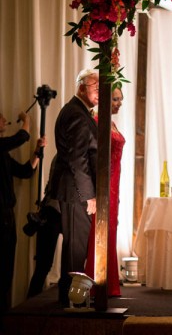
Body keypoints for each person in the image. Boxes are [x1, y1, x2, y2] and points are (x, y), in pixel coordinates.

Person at [53, 68, 99, 306]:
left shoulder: (79, 111)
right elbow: (77, 159)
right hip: (76, 191)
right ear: (82, 87)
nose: (100, 92)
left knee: (76, 246)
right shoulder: (77, 114)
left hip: (74, 189)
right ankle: (72, 301)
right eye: (96, 87)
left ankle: (69, 297)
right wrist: (89, 195)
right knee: (75, 248)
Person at [0, 111, 45, 313]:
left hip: (7, 216)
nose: (4, 120)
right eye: (1, 118)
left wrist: (36, 152)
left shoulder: (3, 152)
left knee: (7, 267)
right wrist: (27, 120)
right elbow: (21, 137)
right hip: (1, 216)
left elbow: (25, 171)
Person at [84, 87, 125, 297]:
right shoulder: (98, 121)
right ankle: (95, 283)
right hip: (104, 183)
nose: (119, 103)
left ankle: (109, 283)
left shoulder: (112, 122)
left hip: (115, 184)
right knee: (101, 230)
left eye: (120, 99)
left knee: (111, 230)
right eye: (115, 99)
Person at [26, 155, 61, 298]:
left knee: (43, 265)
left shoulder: (60, 155)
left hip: (52, 209)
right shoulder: (64, 156)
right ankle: (29, 304)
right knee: (43, 265)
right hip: (54, 211)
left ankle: (30, 303)